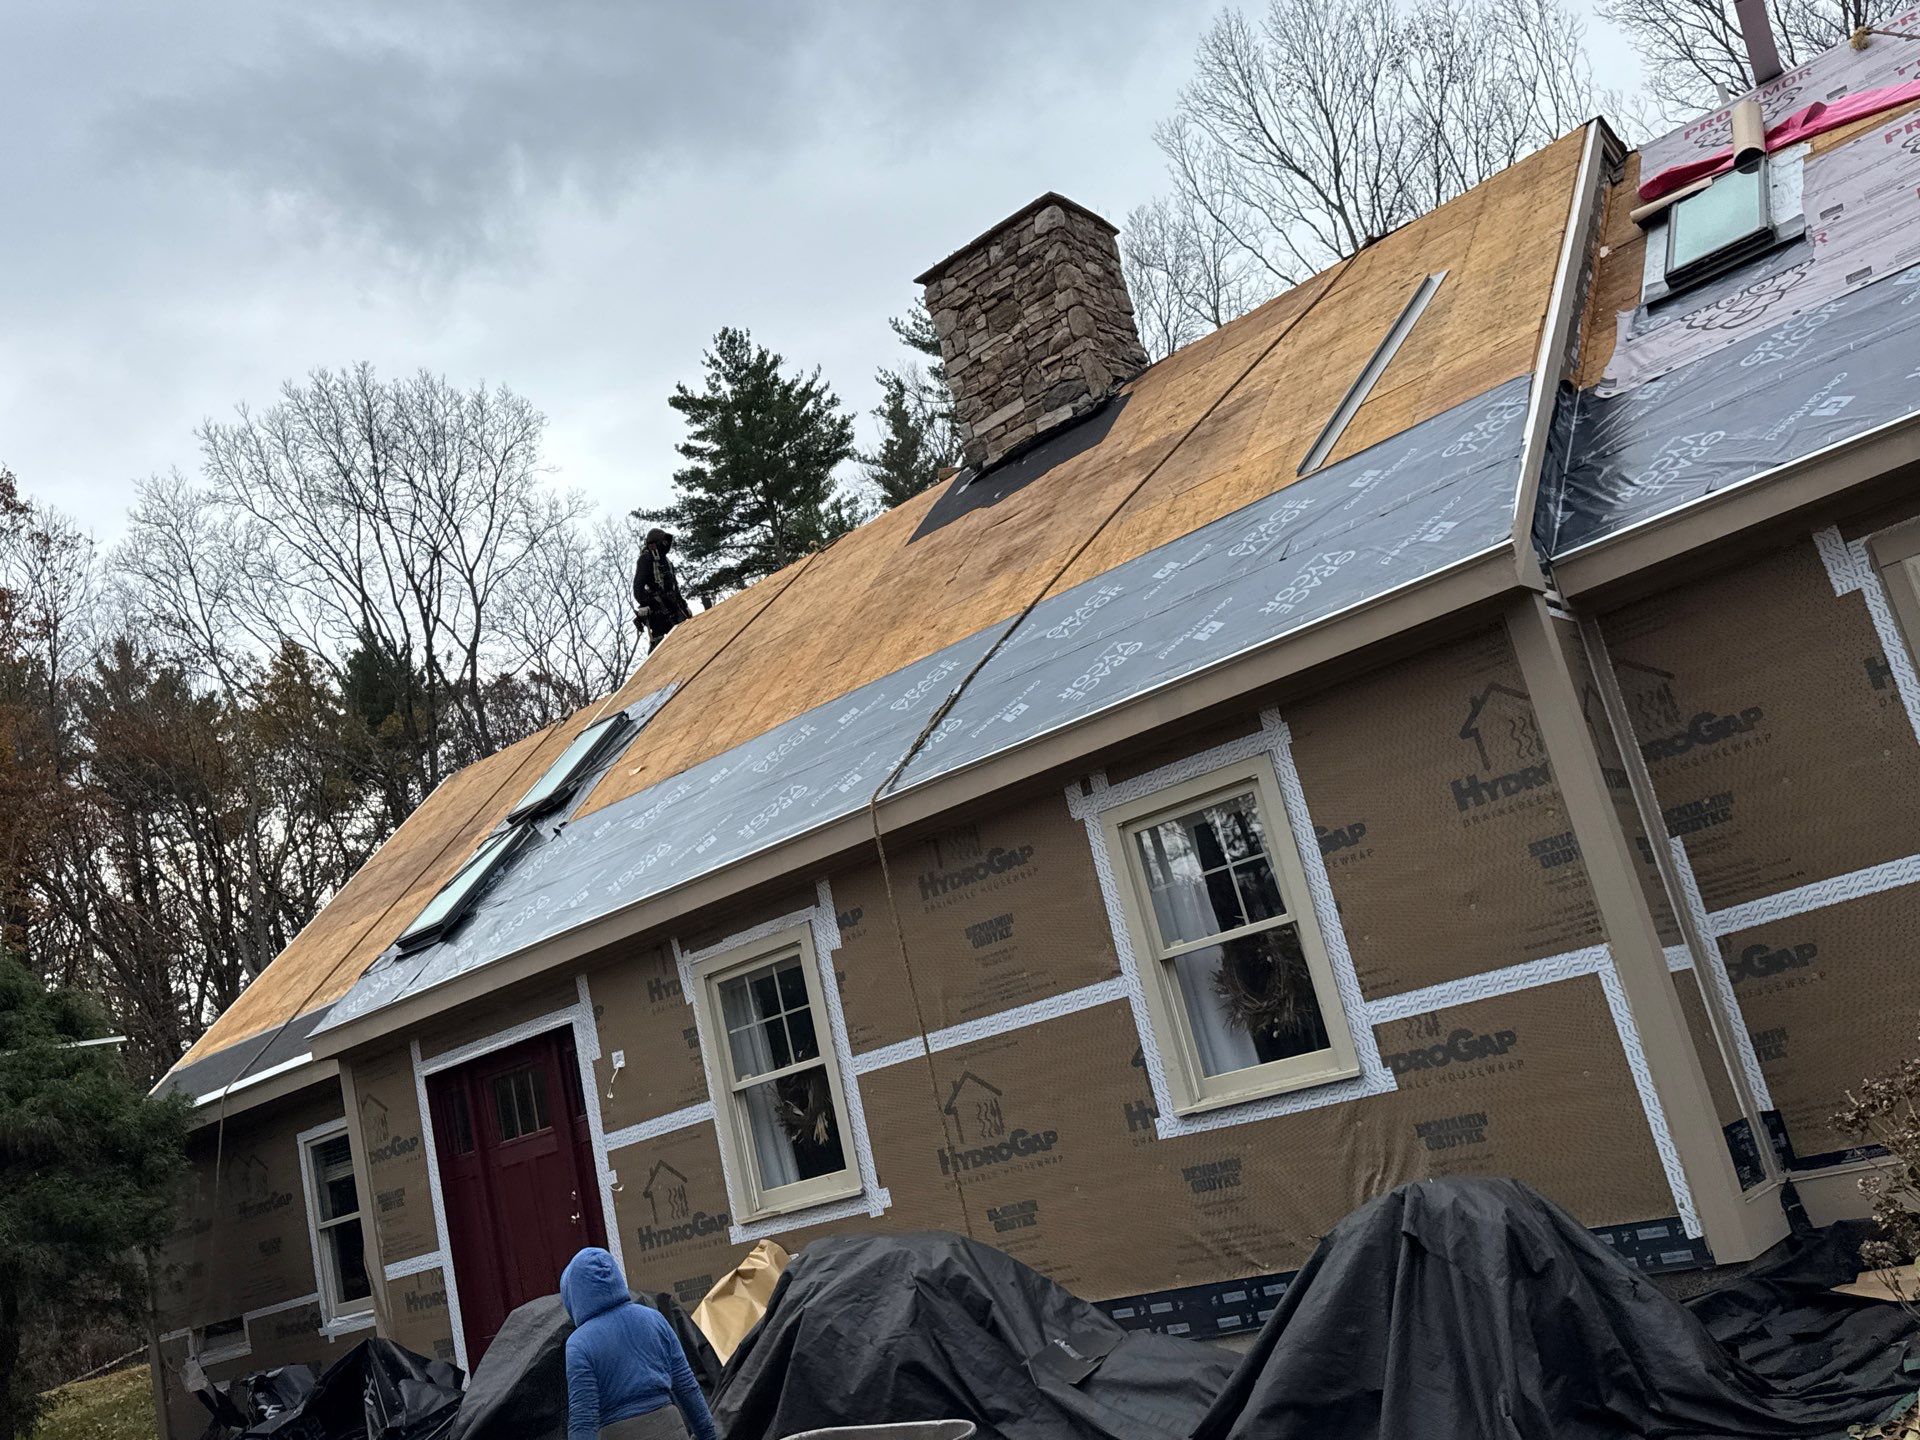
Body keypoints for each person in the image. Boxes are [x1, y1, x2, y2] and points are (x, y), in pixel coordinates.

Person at [562, 1246, 718, 1440]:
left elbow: (584, 1419)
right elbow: (687, 1386)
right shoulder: (655, 1319)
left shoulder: (579, 1344)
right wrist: (708, 1435)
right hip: (671, 1429)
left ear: (573, 1293)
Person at [632, 525, 693, 652]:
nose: (665, 544)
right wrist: (646, 603)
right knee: (661, 646)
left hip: (674, 607)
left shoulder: (667, 562)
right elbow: (638, 587)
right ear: (653, 544)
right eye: (662, 542)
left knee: (687, 638)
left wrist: (684, 605)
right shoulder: (646, 559)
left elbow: (675, 587)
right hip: (657, 608)